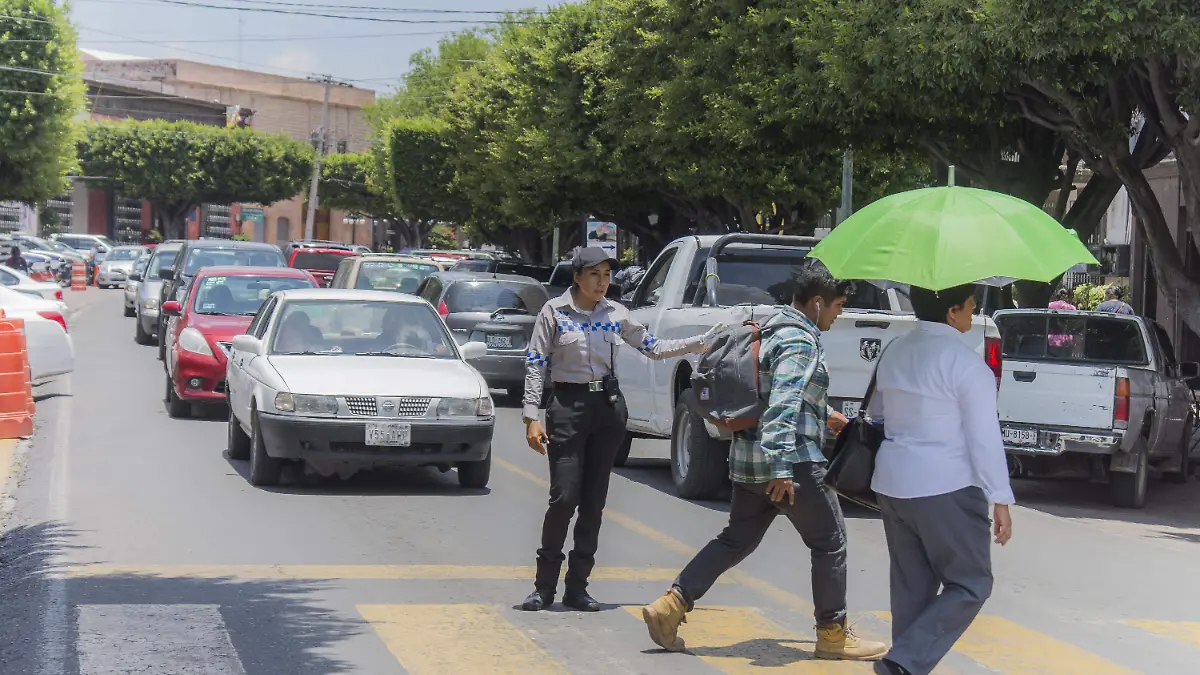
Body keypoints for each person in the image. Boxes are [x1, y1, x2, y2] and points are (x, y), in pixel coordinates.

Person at [640, 262, 887, 662]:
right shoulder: (800, 341)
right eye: (838, 306)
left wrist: (827, 418)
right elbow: (783, 404)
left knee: (735, 539)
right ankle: (832, 633)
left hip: (746, 462)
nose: (839, 314)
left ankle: (671, 606)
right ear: (819, 302)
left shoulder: (770, 330)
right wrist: (782, 469)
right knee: (830, 543)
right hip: (791, 466)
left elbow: (772, 394)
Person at [520, 247, 725, 612]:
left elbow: (654, 347)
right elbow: (536, 363)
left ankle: (577, 587)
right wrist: (531, 415)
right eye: (595, 275)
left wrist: (698, 343)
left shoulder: (617, 314)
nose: (602, 282)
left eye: (607, 275)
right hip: (567, 408)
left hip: (607, 410)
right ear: (578, 278)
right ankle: (543, 587)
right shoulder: (554, 312)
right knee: (564, 498)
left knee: (594, 503)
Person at [867, 284, 1015, 675]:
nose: (972, 312)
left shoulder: (894, 352)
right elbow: (984, 438)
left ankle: (903, 666)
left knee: (911, 589)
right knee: (970, 583)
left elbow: (876, 412)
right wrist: (1000, 497)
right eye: (970, 305)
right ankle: (902, 662)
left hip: (893, 483)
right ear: (952, 311)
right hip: (946, 486)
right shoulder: (966, 365)